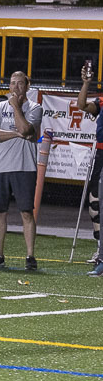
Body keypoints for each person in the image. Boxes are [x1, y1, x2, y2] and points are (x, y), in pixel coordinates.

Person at [0, 71, 42, 270]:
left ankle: (30, 257)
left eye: (20, 83)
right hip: (1, 167)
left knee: (26, 212)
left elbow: (26, 130)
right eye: (12, 83)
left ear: (27, 86)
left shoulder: (35, 108)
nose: (15, 87)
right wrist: (15, 133)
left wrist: (16, 108)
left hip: (25, 167)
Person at [71, 63, 103, 276]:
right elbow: (82, 105)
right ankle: (100, 249)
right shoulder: (101, 101)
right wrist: (86, 83)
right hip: (101, 153)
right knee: (94, 200)